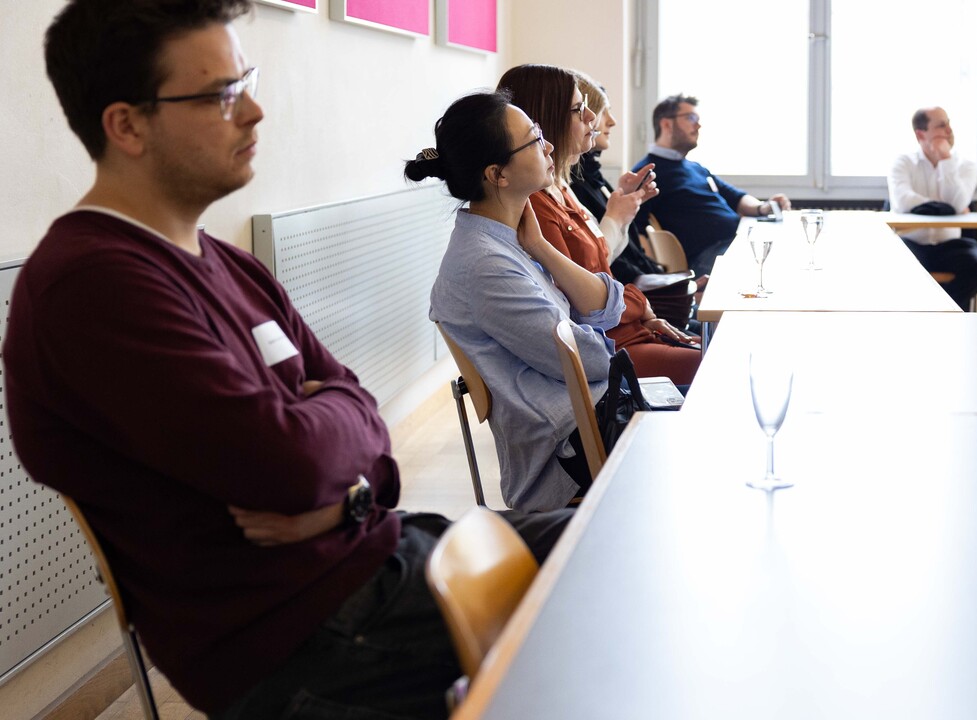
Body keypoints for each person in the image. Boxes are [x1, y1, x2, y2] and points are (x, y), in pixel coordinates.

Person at [5, 3, 572, 718]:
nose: (255, 113)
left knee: (616, 540)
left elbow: (363, 420)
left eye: (248, 81)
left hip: (379, 561)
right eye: (221, 96)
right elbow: (287, 464)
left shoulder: (228, 264)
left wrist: (348, 482)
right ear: (127, 126)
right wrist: (331, 443)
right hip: (310, 639)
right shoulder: (91, 286)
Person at [418, 91, 626, 511]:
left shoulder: (512, 239)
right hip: (573, 450)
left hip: (596, 417)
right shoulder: (485, 265)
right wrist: (598, 337)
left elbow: (606, 309)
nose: (548, 146)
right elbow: (591, 360)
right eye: (534, 139)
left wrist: (542, 247)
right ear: (498, 174)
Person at [498, 64, 702, 386]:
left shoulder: (561, 189)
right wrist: (639, 304)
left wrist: (622, 213)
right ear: (547, 120)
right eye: (580, 110)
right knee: (722, 364)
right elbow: (584, 302)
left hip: (627, 331)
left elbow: (599, 262)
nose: (593, 119)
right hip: (612, 347)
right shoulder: (535, 206)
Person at [568, 71, 697, 329]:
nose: (611, 121)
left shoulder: (591, 179)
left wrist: (668, 280)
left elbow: (619, 251)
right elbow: (597, 266)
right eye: (604, 111)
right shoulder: (573, 186)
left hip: (632, 301)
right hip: (622, 310)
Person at [633, 94, 792, 277]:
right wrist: (662, 280)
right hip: (707, 258)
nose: (698, 125)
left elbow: (736, 197)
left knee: (785, 249)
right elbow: (637, 230)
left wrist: (764, 207)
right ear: (667, 124)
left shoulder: (696, 168)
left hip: (733, 242)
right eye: (691, 118)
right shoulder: (646, 173)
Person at [888, 106, 977, 309]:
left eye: (949, 123)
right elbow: (902, 201)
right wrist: (948, 208)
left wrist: (945, 160)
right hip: (911, 242)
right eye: (941, 125)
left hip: (951, 246)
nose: (949, 130)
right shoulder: (903, 163)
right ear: (920, 134)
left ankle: (942, 313)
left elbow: (960, 202)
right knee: (895, 270)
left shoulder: (965, 165)